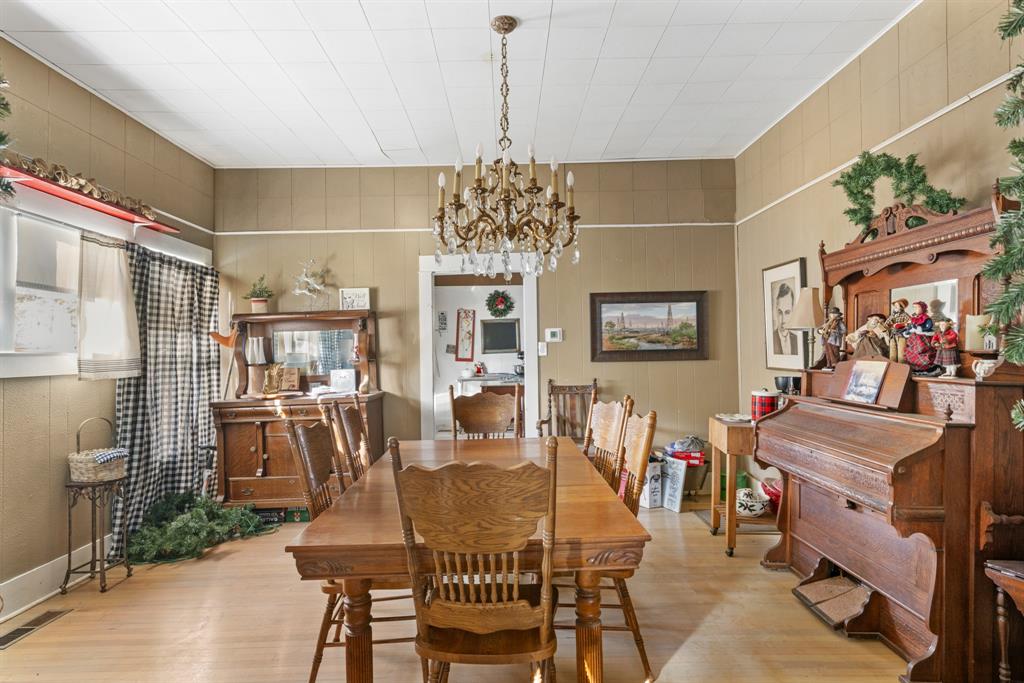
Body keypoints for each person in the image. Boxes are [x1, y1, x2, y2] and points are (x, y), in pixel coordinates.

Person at [904, 300, 937, 373]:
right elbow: (911, 325)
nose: (916, 309)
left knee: (922, 350)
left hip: (923, 337)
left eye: (917, 308)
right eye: (915, 308)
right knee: (912, 351)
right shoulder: (914, 317)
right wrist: (908, 329)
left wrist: (920, 329)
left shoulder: (926, 318)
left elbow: (929, 326)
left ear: (923, 308)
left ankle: (925, 368)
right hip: (914, 337)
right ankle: (915, 368)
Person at [772, 282, 798, 355]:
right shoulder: (771, 339)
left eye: (787, 312)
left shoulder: (796, 340)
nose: (783, 320)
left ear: (792, 311)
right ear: (775, 311)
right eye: (780, 312)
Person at [885, 298, 911, 363]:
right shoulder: (893, 315)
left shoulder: (905, 315)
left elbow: (910, 324)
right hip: (892, 335)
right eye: (895, 305)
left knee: (901, 353)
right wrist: (892, 318)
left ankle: (901, 366)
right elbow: (886, 324)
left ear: (902, 307)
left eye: (897, 305)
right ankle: (892, 365)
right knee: (892, 352)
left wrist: (902, 325)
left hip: (901, 336)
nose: (895, 307)